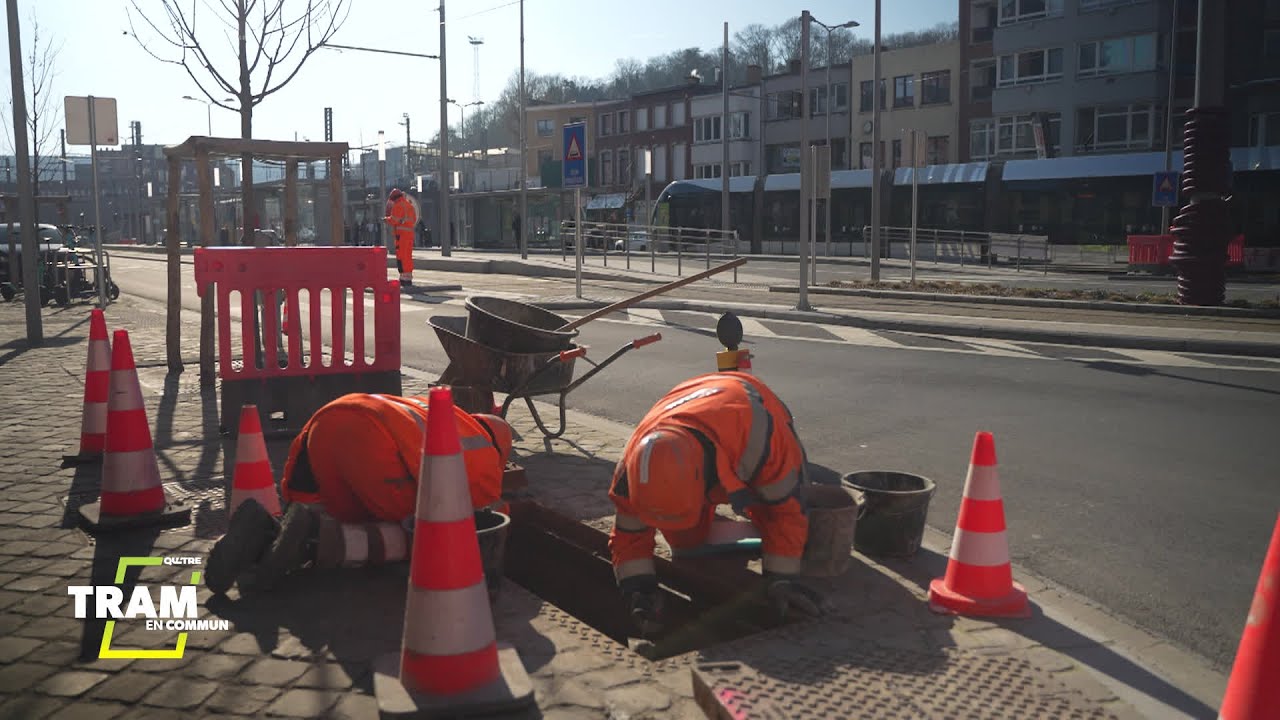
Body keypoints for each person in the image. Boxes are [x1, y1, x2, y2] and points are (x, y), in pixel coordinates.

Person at [205, 392, 515, 594]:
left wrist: (299, 502)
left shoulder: (443, 412)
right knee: (427, 539)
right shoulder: (485, 461)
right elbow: (481, 535)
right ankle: (312, 541)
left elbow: (307, 483)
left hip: (330, 417)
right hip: (375, 447)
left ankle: (267, 528)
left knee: (326, 516)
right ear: (500, 450)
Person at [608, 372, 829, 634]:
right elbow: (629, 537)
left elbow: (787, 512)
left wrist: (780, 578)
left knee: (775, 508)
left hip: (746, 403)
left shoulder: (763, 441)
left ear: (702, 485)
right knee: (686, 545)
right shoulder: (634, 472)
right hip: (691, 407)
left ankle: (768, 546)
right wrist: (638, 589)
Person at [384, 188, 417, 287]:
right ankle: (409, 277)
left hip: (401, 235)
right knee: (408, 255)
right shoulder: (409, 205)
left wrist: (386, 219)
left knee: (401, 256)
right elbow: (413, 219)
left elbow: (394, 220)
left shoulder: (398, 206)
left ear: (394, 198)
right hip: (410, 234)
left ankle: (403, 278)